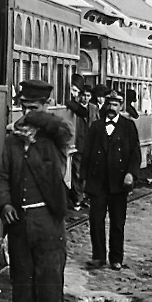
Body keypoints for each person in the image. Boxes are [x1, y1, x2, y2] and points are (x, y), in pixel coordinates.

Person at [0, 80, 72, 302]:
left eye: (34, 108)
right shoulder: (13, 142)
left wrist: (32, 120)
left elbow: (61, 129)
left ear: (46, 107)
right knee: (23, 298)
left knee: (49, 295)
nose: (27, 113)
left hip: (48, 225)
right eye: (24, 107)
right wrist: (4, 205)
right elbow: (1, 177)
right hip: (19, 227)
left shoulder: (56, 138)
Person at [81, 90, 141, 271]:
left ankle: (116, 258)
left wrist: (131, 174)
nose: (111, 108)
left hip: (118, 183)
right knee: (96, 220)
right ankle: (98, 256)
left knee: (117, 223)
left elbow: (135, 154)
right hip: (98, 182)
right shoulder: (96, 127)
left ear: (121, 107)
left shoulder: (128, 127)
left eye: (115, 105)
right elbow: (86, 153)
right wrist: (83, 178)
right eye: (108, 104)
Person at [66, 75, 89, 210]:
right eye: (72, 90)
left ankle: (78, 197)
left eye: (76, 91)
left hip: (80, 142)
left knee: (79, 172)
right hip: (76, 142)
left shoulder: (77, 104)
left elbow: (82, 112)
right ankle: (77, 198)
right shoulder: (69, 100)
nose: (73, 93)